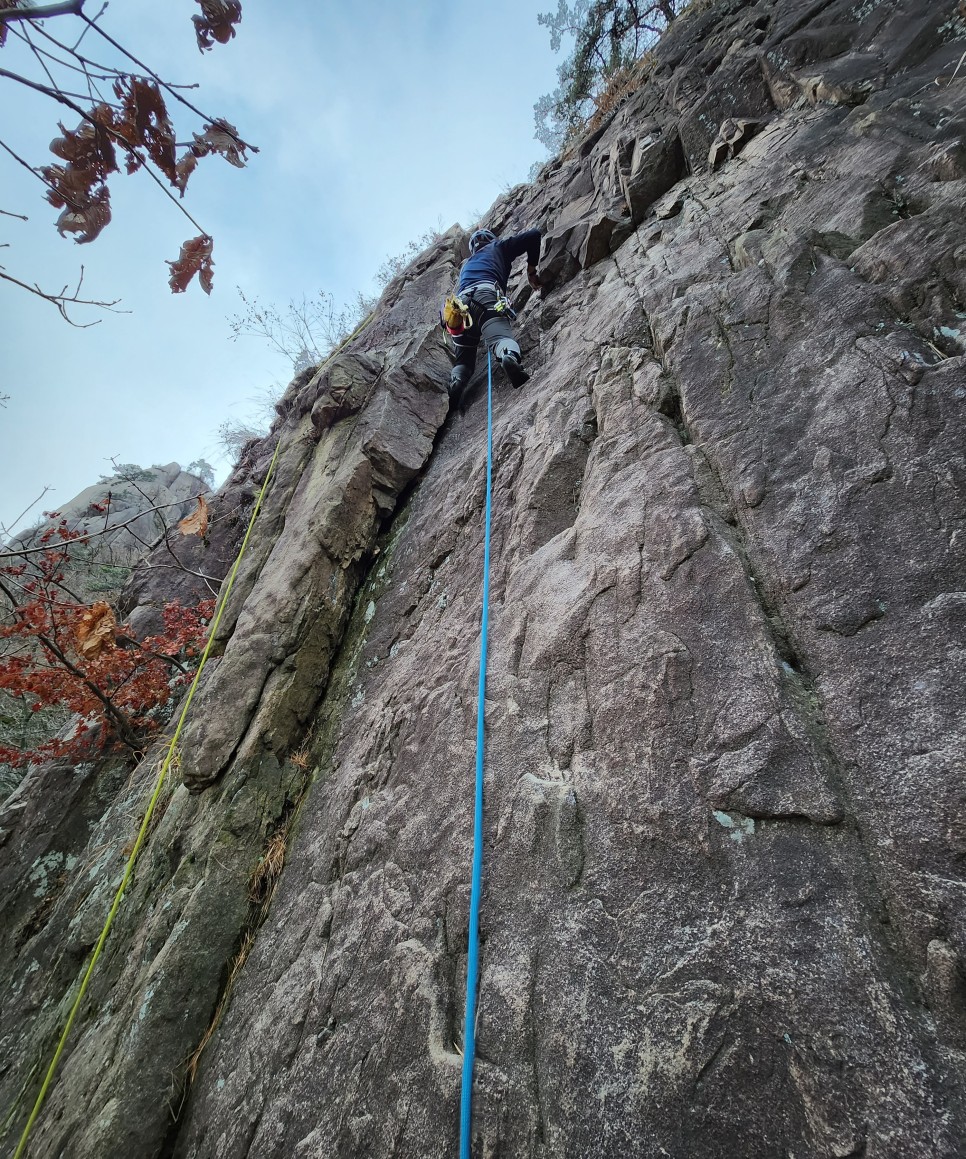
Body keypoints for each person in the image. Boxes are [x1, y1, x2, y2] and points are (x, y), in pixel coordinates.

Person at [444, 227, 542, 405]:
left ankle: (457, 381)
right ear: (490, 239)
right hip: (486, 296)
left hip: (459, 307)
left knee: (464, 361)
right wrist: (531, 270)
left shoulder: (466, 265)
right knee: (499, 338)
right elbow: (534, 235)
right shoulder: (498, 246)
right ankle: (508, 356)